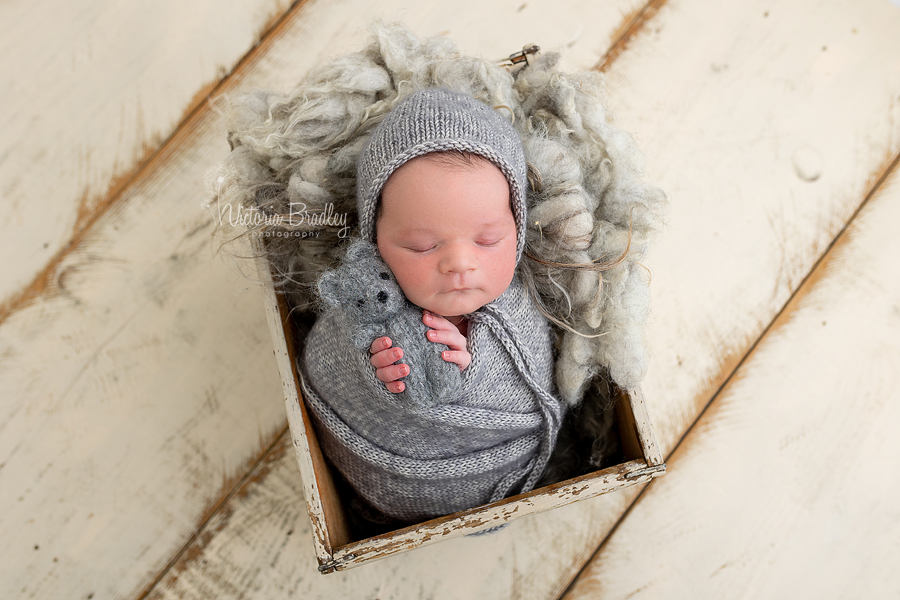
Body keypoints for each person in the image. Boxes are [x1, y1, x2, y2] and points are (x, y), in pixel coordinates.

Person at [300, 88, 565, 528]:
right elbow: (326, 360)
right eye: (422, 246)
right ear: (374, 241)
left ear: (517, 227)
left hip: (501, 476)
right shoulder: (364, 302)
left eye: (488, 240)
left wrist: (476, 369)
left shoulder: (520, 308)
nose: (460, 263)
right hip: (379, 483)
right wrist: (376, 365)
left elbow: (536, 377)